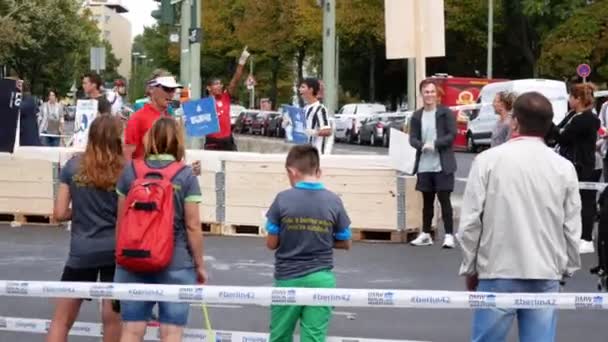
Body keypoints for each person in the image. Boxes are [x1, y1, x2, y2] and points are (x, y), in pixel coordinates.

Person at [458, 92, 581, 342]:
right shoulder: (563, 168)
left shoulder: (487, 161)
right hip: (545, 270)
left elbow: (471, 222)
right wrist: (567, 266)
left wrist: (470, 266)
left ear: (514, 122)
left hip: (497, 269)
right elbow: (571, 225)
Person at [115, 117, 206, 342]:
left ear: (150, 138)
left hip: (133, 259)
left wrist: (121, 258)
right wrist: (200, 265)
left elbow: (121, 220)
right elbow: (193, 226)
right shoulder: (185, 175)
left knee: (131, 330)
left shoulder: (131, 172)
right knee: (171, 332)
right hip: (175, 262)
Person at [46, 115, 123, 342]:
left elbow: (59, 213)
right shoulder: (124, 171)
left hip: (81, 250)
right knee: (112, 320)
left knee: (61, 320)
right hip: (114, 251)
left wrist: (79, 211)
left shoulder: (72, 166)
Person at [265, 144, 351, 342]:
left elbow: (271, 243)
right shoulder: (334, 201)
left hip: (288, 277)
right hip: (321, 279)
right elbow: (346, 242)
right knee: (314, 337)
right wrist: (321, 237)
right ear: (318, 171)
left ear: (291, 171)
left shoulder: (282, 199)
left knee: (280, 335)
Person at [552, 83, 600, 254]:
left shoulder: (586, 119)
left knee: (586, 201)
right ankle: (571, 234)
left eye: (571, 96)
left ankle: (586, 238)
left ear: (578, 99)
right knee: (569, 201)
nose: (568, 99)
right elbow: (559, 130)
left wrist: (547, 123)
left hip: (584, 164)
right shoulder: (573, 115)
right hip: (570, 162)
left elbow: (563, 137)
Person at [409, 79, 457, 248]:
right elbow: (412, 138)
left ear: (437, 94)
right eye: (426, 92)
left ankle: (449, 235)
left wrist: (435, 144)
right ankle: (425, 234)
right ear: (421, 94)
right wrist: (422, 146)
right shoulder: (416, 115)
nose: (429, 95)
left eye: (432, 91)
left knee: (444, 200)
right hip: (424, 165)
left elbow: (452, 135)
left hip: (443, 164)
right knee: (427, 202)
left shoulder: (446, 113)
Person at [124, 76, 183, 161]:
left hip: (168, 172)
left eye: (173, 89)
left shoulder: (170, 117)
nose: (171, 94)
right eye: (166, 89)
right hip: (144, 172)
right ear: (152, 90)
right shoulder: (138, 118)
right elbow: (128, 153)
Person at [204, 47, 250, 151]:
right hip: (212, 140)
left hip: (227, 140)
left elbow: (236, 79)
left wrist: (242, 61)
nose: (219, 86)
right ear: (209, 87)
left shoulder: (225, 97)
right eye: (216, 84)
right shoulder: (205, 104)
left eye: (220, 83)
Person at [298, 78, 333, 155]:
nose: (299, 89)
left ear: (310, 89)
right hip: (305, 151)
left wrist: (314, 132)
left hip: (317, 153)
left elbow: (327, 131)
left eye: (303, 87)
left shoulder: (320, 109)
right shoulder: (305, 108)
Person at [17, 80, 42, 146]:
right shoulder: (24, 99)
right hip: (24, 138)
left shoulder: (29, 100)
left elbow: (18, 109)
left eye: (19, 86)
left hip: (29, 139)